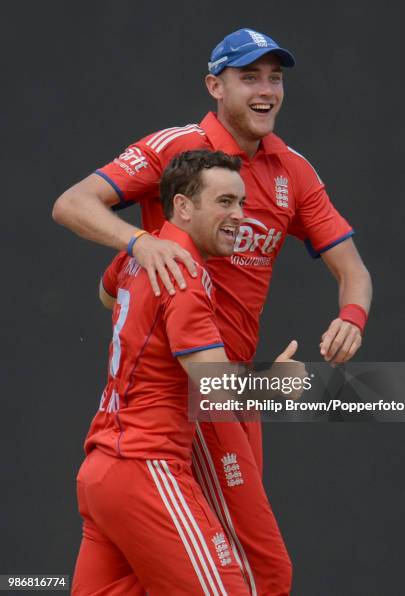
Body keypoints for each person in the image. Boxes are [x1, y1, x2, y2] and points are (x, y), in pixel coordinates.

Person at [54, 28, 372, 595]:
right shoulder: (178, 183)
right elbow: (71, 203)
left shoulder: (290, 170)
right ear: (214, 86)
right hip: (196, 398)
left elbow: (354, 270)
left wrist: (352, 315)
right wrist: (140, 244)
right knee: (257, 573)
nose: (267, 89)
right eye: (249, 76)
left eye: (275, 77)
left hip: (206, 399)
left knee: (175, 570)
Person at [73, 150, 297, 595]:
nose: (240, 216)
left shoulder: (144, 255)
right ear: (183, 206)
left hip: (101, 472)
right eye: (225, 202)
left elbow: (105, 296)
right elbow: (214, 389)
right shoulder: (183, 272)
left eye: (241, 202)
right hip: (148, 469)